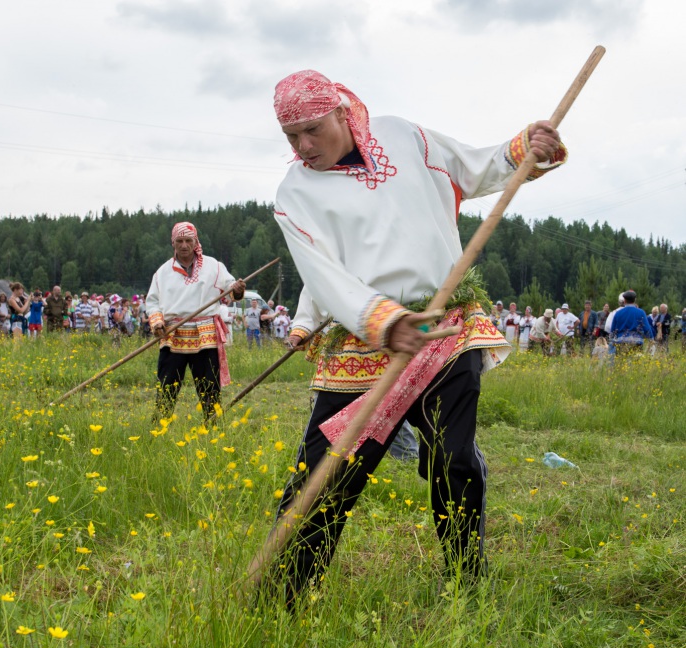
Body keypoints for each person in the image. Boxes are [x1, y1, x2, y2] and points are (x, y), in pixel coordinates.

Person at [266, 69, 565, 603]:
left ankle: (464, 585)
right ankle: (284, 595)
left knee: (455, 460)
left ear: (341, 111)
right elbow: (324, 278)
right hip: (365, 341)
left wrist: (527, 147)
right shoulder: (295, 195)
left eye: (312, 130)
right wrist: (386, 322)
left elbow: (476, 169)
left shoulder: (405, 136)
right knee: (326, 472)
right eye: (291, 137)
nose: (303, 147)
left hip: (446, 328)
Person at [145, 221, 245, 421]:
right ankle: (159, 428)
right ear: (173, 243)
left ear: (195, 241)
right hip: (173, 334)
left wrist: (237, 289)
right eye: (179, 241)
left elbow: (230, 289)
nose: (184, 245)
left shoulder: (214, 267)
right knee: (167, 384)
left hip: (204, 334)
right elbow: (153, 302)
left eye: (188, 240)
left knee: (209, 385)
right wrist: (157, 322)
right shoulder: (162, 272)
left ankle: (213, 426)